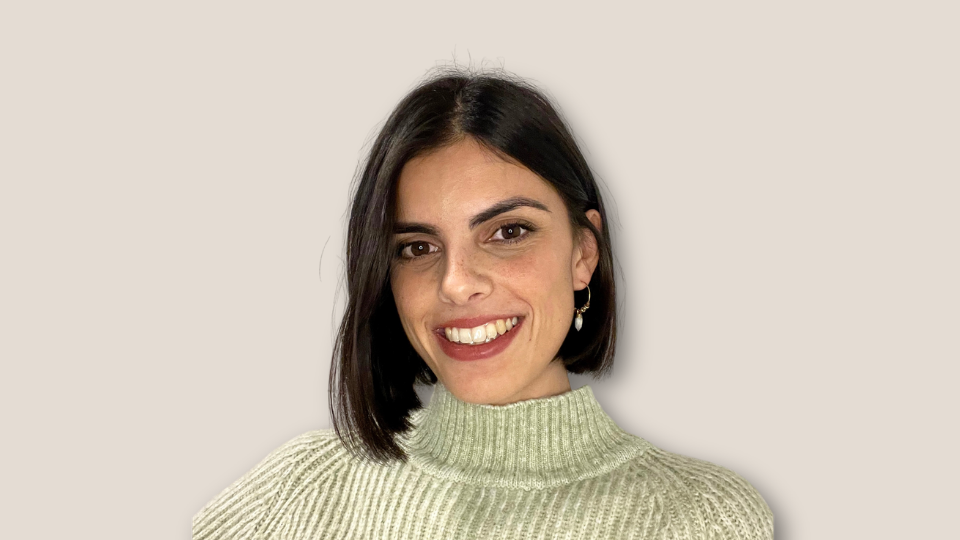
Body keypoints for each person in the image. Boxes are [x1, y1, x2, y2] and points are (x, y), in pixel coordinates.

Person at [192, 68, 775, 540]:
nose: (455, 283)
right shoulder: (295, 494)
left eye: (508, 232)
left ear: (583, 253)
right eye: (418, 247)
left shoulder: (700, 519)